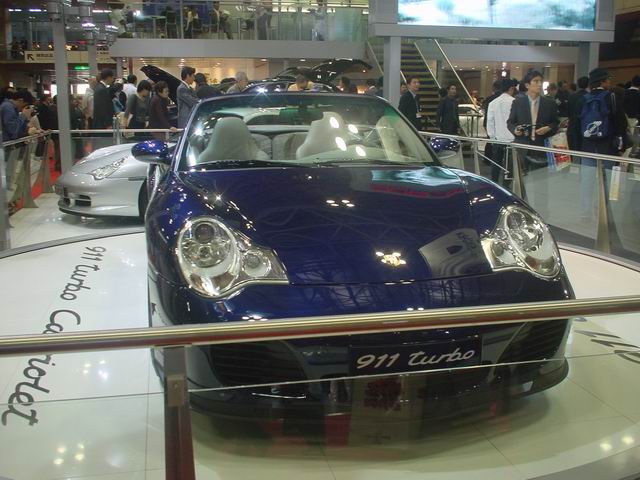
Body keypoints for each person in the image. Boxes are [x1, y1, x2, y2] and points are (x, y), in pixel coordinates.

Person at [579, 67, 628, 219]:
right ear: (603, 81)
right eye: (608, 79)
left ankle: (585, 211)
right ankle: (602, 210)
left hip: (587, 146)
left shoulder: (583, 98)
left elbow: (575, 125)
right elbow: (621, 123)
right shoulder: (611, 97)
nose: (609, 82)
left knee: (586, 180)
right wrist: (621, 145)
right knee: (605, 179)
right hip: (607, 147)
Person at [486, 78, 517, 183]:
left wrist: (492, 137)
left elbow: (490, 122)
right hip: (512, 139)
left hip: (498, 139)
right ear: (511, 88)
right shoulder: (514, 102)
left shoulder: (493, 103)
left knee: (496, 164)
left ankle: (494, 183)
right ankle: (507, 186)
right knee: (510, 166)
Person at [567, 76, 589, 152]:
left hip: (572, 125)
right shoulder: (588, 97)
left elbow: (568, 112)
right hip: (583, 127)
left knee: (572, 149)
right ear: (588, 85)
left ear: (578, 85)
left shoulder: (571, 96)